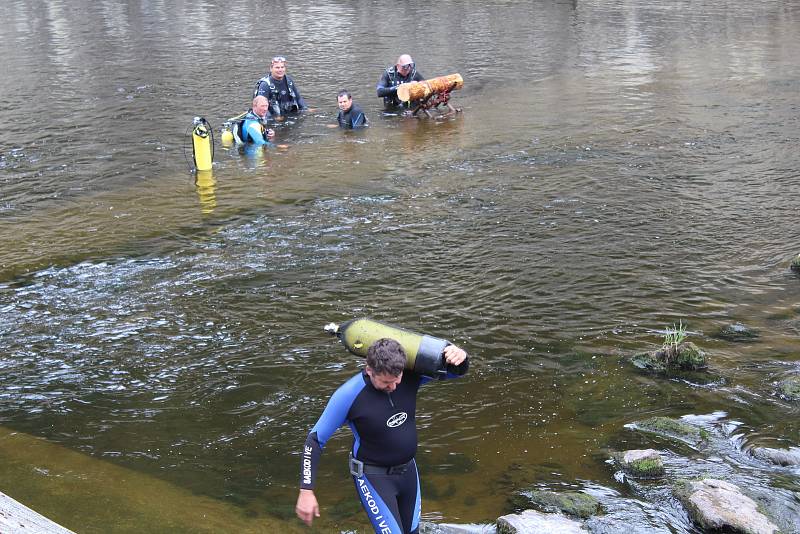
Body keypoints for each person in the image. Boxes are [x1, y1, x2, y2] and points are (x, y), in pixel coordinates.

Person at [295, 338, 469, 534]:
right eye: (386, 382)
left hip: (408, 471)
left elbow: (455, 373)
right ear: (369, 370)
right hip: (373, 477)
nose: (393, 386)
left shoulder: (411, 376)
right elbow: (315, 440)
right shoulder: (349, 395)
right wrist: (306, 490)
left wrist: (460, 358)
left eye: (397, 379)